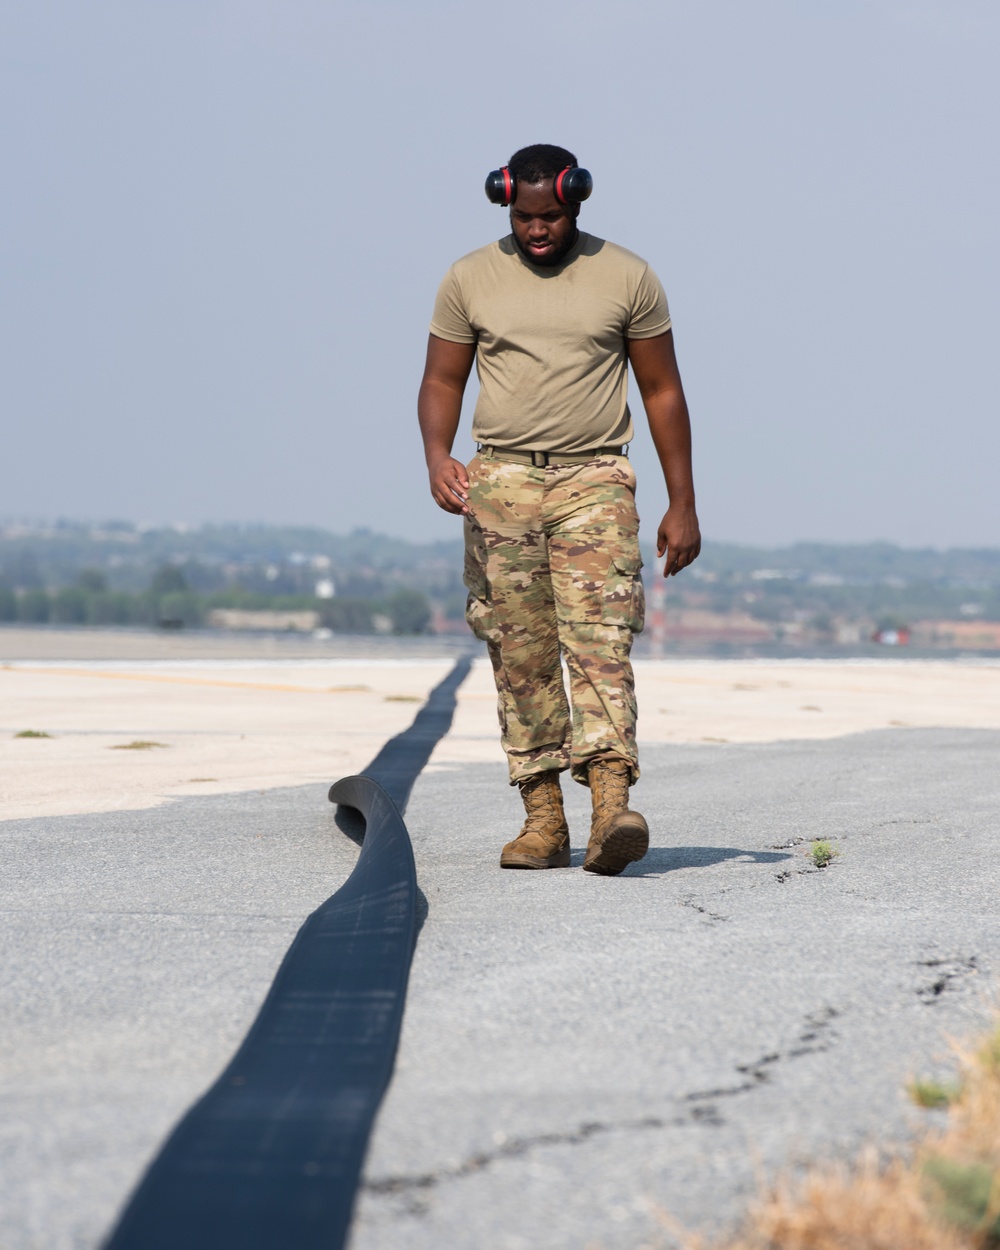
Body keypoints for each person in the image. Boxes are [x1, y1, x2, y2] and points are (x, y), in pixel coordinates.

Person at [418, 143, 700, 875]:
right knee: (521, 654)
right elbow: (442, 379)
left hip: (595, 481)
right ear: (505, 203)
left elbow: (662, 390)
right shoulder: (469, 277)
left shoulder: (627, 277)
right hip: (501, 482)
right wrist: (438, 458)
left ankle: (612, 808)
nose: (536, 229)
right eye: (523, 215)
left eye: (549, 215)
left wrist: (683, 503)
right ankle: (543, 818)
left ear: (576, 200)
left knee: (601, 641)